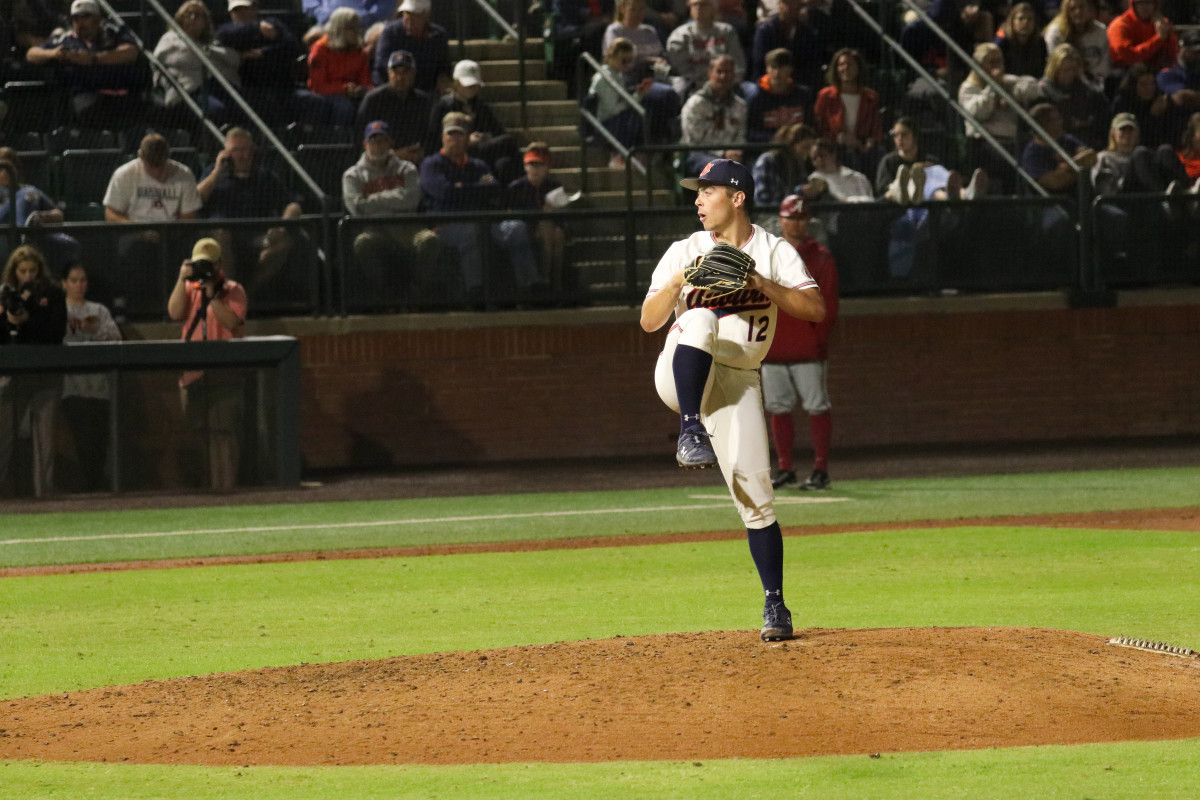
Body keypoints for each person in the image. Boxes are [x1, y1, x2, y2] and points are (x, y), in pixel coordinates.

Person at [640, 157, 824, 642]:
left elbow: (814, 308)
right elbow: (649, 320)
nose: (698, 199)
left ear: (737, 197)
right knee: (701, 321)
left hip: (738, 378)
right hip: (680, 375)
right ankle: (688, 429)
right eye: (697, 192)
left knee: (757, 498)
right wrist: (682, 281)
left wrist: (761, 283)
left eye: (707, 191)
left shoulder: (773, 250)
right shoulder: (686, 250)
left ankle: (776, 607)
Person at [419, 112, 545, 304]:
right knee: (471, 231)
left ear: (467, 138)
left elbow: (493, 189)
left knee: (516, 228)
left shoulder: (478, 164)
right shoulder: (431, 164)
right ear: (443, 137)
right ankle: (476, 292)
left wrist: (460, 187)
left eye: (460, 134)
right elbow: (443, 192)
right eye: (450, 134)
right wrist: (475, 188)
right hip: (446, 225)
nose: (455, 139)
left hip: (483, 220)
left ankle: (530, 288)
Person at [762, 194, 837, 491]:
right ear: (781, 220)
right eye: (791, 217)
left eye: (801, 218)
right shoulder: (767, 255)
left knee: (817, 405)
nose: (796, 223)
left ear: (808, 221)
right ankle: (785, 468)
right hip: (774, 345)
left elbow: (827, 306)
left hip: (807, 348)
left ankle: (820, 469)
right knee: (778, 407)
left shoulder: (820, 257)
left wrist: (816, 340)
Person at [166, 237, 247, 491]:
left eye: (209, 265)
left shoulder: (233, 290)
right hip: (193, 375)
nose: (205, 270)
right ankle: (208, 489)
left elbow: (232, 323)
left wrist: (213, 294)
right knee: (199, 434)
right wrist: (182, 279)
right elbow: (174, 313)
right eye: (201, 264)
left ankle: (226, 488)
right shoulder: (189, 289)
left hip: (224, 375)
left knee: (223, 433)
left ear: (220, 264)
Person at [196, 127, 304, 297]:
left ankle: (247, 292)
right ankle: (229, 293)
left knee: (285, 243)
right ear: (226, 153)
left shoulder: (265, 176)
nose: (244, 155)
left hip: (257, 235)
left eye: (247, 150)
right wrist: (217, 172)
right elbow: (196, 199)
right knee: (220, 233)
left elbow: (292, 205)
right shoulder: (213, 173)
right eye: (237, 150)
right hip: (224, 234)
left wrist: (282, 225)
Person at [102, 132, 202, 313]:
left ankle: (178, 309)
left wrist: (168, 231)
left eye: (161, 166)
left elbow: (189, 216)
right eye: (151, 166)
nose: (157, 172)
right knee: (137, 253)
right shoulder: (125, 174)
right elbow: (111, 213)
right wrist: (137, 229)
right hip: (134, 232)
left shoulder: (183, 174)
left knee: (181, 254)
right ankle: (137, 311)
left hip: (172, 234)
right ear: (141, 157)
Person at [343, 120, 437, 305]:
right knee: (363, 243)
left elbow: (411, 200)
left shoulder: (406, 168)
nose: (378, 146)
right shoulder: (353, 175)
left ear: (390, 143)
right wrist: (395, 198)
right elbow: (357, 208)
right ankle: (383, 294)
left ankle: (415, 291)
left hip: (406, 226)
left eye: (382, 141)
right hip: (374, 228)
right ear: (365, 144)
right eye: (373, 141)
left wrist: (373, 200)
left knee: (429, 240)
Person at [0, 245, 67, 497]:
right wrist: (8, 318)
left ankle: (44, 496)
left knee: (45, 441)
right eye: (22, 271)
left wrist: (28, 318)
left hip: (45, 372)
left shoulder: (52, 293)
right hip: (13, 375)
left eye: (32, 270)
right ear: (14, 272)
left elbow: (55, 333)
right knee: (3, 437)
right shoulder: (6, 294)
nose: (28, 275)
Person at [24, 0, 151, 129]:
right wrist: (53, 53)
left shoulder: (112, 32)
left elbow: (131, 52)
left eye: (85, 17)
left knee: (154, 114)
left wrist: (94, 59)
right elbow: (31, 54)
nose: (80, 22)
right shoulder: (65, 39)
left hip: (124, 93)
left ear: (98, 19)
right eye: (76, 18)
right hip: (89, 97)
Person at [60, 262, 120, 493]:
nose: (79, 285)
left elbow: (113, 336)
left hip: (100, 386)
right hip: (73, 386)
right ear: (64, 283)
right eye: (74, 280)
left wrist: (92, 331)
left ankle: (98, 488)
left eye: (83, 280)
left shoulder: (99, 310)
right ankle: (90, 487)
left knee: (99, 441)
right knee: (83, 440)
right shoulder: (60, 310)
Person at [427, 59, 521, 185]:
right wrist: (466, 140)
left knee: (504, 164)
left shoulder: (480, 106)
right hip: (457, 150)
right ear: (456, 83)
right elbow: (433, 137)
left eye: (474, 85)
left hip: (482, 151)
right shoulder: (443, 106)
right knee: (508, 141)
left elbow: (497, 131)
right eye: (468, 85)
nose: (472, 89)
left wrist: (484, 136)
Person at [215, 0, 306, 126]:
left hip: (283, 86)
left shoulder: (273, 23)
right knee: (266, 104)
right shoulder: (226, 30)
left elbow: (292, 46)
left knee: (313, 102)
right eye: (237, 10)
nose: (241, 13)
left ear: (255, 9)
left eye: (245, 9)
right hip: (249, 88)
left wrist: (263, 53)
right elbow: (223, 36)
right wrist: (256, 28)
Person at [152, 0, 241, 125]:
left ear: (205, 21)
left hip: (218, 88)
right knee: (217, 110)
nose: (193, 18)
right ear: (180, 18)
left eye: (199, 15)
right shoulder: (170, 38)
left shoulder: (211, 42)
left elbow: (234, 59)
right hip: (188, 93)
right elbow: (185, 56)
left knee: (251, 104)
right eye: (188, 13)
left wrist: (205, 53)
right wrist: (214, 59)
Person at [506, 143, 571, 291]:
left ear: (547, 168)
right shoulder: (516, 187)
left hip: (552, 228)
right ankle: (549, 282)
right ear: (525, 166)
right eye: (531, 165)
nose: (535, 169)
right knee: (546, 226)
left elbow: (563, 214)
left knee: (557, 234)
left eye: (540, 165)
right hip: (527, 228)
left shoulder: (554, 186)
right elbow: (512, 214)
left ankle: (552, 280)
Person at [812, 47, 884, 177]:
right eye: (841, 64)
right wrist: (839, 138)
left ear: (858, 68)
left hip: (862, 143)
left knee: (878, 154)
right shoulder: (825, 96)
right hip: (834, 145)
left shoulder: (870, 96)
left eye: (849, 64)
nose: (845, 68)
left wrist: (870, 142)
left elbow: (876, 128)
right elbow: (818, 127)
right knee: (849, 156)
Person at [0, 157, 80, 274]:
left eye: (10, 168)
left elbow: (58, 215)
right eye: (2, 168)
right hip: (4, 235)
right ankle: (23, 233)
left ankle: (24, 233)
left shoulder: (30, 190)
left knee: (71, 245)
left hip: (36, 235)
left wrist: (42, 216)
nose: (6, 172)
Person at [356, 49, 433, 165]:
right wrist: (395, 154)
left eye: (405, 72)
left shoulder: (423, 100)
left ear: (413, 73)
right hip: (380, 163)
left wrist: (423, 151)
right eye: (396, 72)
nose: (400, 77)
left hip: (417, 160)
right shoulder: (374, 100)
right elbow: (360, 139)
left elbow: (431, 135)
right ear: (388, 73)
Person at [306, 6, 374, 127]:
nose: (359, 31)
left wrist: (361, 89)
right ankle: (339, 141)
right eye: (353, 28)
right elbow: (318, 86)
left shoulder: (359, 52)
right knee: (345, 108)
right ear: (341, 29)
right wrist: (344, 89)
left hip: (354, 93)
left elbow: (365, 80)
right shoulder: (320, 50)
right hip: (328, 93)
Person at [680, 54, 748, 175]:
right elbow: (694, 141)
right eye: (719, 71)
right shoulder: (695, 104)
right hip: (700, 155)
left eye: (728, 72)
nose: (723, 76)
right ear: (710, 73)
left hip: (733, 156)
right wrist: (722, 153)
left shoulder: (740, 105)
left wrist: (735, 152)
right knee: (720, 169)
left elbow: (741, 135)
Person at [665, 0, 747, 99]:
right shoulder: (680, 35)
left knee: (750, 90)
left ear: (714, 7)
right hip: (693, 83)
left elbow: (738, 63)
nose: (698, 8)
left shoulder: (726, 31)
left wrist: (731, 81)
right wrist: (708, 83)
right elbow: (681, 68)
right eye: (694, 5)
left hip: (726, 82)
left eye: (703, 4)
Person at [1037, 42, 1112, 150]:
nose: (1069, 73)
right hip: (1058, 144)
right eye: (1065, 69)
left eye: (1073, 69)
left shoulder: (1087, 89)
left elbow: (1103, 114)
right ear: (1055, 68)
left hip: (1089, 141)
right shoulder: (1044, 89)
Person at [370, 0, 451, 93]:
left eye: (415, 14)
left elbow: (444, 66)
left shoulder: (438, 36)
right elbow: (381, 64)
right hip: (393, 88)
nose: (409, 19)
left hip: (427, 90)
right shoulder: (391, 32)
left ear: (426, 14)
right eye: (406, 13)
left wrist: (443, 78)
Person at [749, 0, 824, 92]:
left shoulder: (808, 33)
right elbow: (760, 62)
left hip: (799, 86)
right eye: (788, 3)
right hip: (768, 84)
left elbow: (812, 64)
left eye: (796, 4)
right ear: (780, 4)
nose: (792, 7)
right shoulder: (765, 31)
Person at [745, 47, 812, 143]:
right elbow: (751, 132)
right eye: (773, 67)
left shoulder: (803, 95)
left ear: (790, 69)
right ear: (767, 69)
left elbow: (810, 126)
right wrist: (776, 139)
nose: (777, 73)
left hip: (798, 147)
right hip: (767, 148)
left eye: (782, 67)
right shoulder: (756, 97)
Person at [1045, 0, 1113, 92]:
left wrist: (1095, 80)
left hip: (1096, 83)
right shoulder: (1056, 33)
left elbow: (1104, 63)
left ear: (1090, 8)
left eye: (1081, 7)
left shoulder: (1100, 31)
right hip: (1064, 83)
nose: (1078, 12)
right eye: (1073, 9)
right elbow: (1055, 66)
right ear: (1066, 11)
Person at [751, 121, 823, 207]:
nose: (808, 153)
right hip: (769, 216)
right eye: (805, 147)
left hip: (795, 216)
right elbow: (763, 199)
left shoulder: (798, 166)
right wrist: (800, 192)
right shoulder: (767, 161)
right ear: (791, 144)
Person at [1111, 62, 1174, 147]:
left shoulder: (1159, 100)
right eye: (1143, 85)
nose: (1149, 88)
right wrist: (1152, 116)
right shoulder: (1122, 102)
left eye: (1152, 84)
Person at [1107, 0, 1178, 73]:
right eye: (1140, 3)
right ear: (1133, 5)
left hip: (1156, 70)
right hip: (1124, 70)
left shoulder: (1161, 23)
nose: (1145, 7)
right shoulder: (1120, 25)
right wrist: (1158, 39)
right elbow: (1128, 56)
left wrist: (1168, 36)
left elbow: (1173, 54)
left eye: (1149, 2)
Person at [995, 2, 1048, 78]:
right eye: (1021, 19)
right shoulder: (1002, 40)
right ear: (1012, 21)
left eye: (1030, 19)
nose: (1025, 22)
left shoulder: (1039, 41)